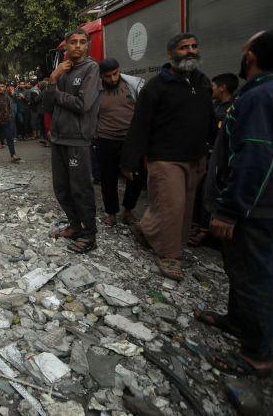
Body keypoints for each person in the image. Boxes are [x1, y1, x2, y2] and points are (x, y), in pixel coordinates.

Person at [201, 30, 273, 377]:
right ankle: (237, 321)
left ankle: (257, 355)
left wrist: (230, 208)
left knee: (254, 277)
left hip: (254, 211)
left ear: (251, 57)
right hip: (253, 207)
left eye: (245, 49)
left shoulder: (259, 97)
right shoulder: (257, 92)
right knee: (239, 271)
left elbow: (255, 157)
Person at [120, 32, 215, 280]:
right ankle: (170, 255)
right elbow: (140, 125)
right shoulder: (156, 86)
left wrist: (213, 147)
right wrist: (130, 161)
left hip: (195, 157)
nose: (191, 51)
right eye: (184, 47)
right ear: (170, 54)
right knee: (172, 207)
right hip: (165, 158)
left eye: (194, 46)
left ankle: (146, 230)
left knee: (183, 208)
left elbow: (209, 118)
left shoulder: (202, 82)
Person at [45, 28, 102, 253]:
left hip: (78, 139)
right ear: (66, 46)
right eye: (73, 43)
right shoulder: (63, 70)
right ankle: (74, 225)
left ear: (87, 44)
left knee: (80, 188)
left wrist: (56, 93)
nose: (77, 46)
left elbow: (82, 104)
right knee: (61, 188)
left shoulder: (91, 68)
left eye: (82, 42)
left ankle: (90, 235)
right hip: (59, 138)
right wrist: (52, 79)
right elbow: (47, 107)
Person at [189, 72, 240, 247]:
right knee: (198, 191)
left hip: (221, 160)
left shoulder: (235, 108)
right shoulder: (214, 106)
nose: (212, 89)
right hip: (206, 155)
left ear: (223, 87)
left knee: (210, 194)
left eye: (214, 86)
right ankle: (195, 225)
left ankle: (205, 231)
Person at [95, 58, 146, 227]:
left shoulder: (133, 85)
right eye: (108, 76)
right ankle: (111, 214)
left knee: (136, 178)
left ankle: (128, 211)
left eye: (115, 74)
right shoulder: (95, 90)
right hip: (106, 141)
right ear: (101, 76)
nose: (113, 79)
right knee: (108, 179)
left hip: (131, 141)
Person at [0, 81, 20, 162]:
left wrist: (10, 117)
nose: (0, 88)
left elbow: (10, 108)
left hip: (7, 121)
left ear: (5, 87)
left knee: (9, 138)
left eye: (2, 86)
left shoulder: (7, 97)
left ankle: (13, 155)